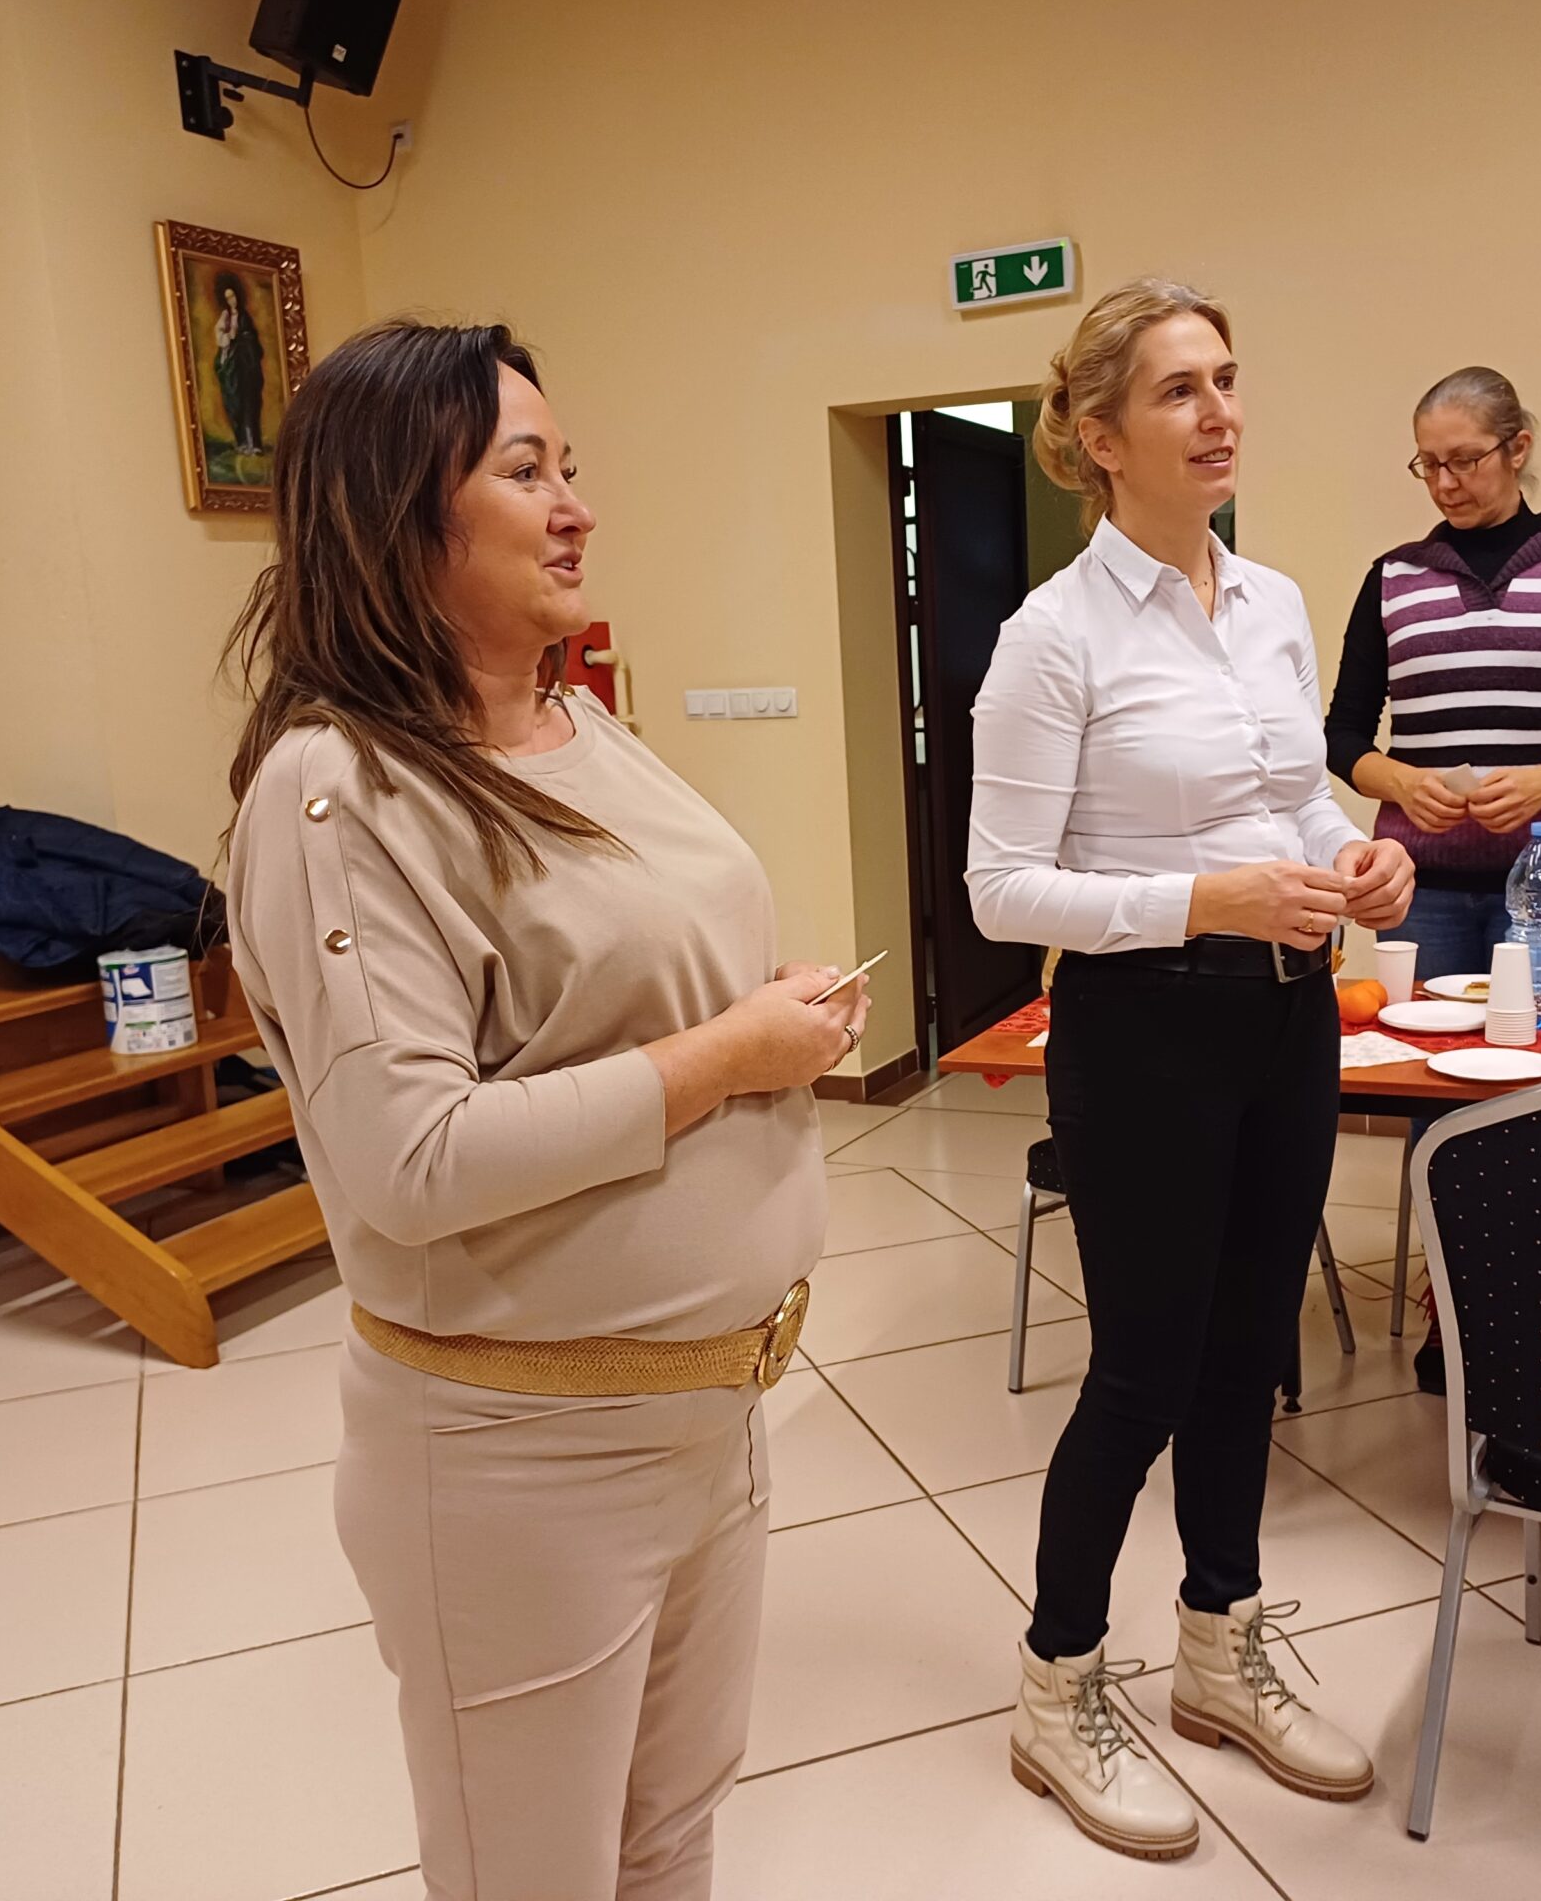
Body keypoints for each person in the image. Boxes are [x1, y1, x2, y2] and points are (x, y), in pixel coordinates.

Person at [223, 320, 868, 1901]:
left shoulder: (583, 726)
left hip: (710, 1408)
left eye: (568, 467)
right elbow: (411, 1160)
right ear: (401, 515)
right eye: (527, 473)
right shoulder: (339, 793)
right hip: (521, 1457)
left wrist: (752, 1012)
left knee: (669, 1835)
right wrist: (728, 1055)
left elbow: (625, 988)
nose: (577, 506)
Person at [967, 279, 1415, 1861]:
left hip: (1290, 1020)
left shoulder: (1273, 600)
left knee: (1250, 1355)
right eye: (1178, 391)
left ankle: (1220, 1649)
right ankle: (1058, 1683)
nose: (1219, 412)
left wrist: (1358, 859)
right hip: (1143, 1032)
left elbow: (1291, 803)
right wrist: (1199, 903)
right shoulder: (1053, 638)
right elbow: (1002, 890)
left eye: (1226, 379)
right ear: (1099, 438)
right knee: (1144, 1373)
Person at [1322, 365, 1541, 978]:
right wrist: (1403, 784)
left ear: (1517, 448)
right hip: (1420, 886)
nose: (1444, 483)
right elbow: (1341, 736)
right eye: (1429, 464)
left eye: (1464, 461)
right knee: (1419, 1038)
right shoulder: (1393, 577)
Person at [214, 275, 267, 456]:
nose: (232, 300)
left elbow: (252, 339)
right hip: (234, 368)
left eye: (233, 296)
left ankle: (254, 443)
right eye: (228, 297)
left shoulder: (245, 317)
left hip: (247, 367)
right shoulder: (225, 318)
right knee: (235, 404)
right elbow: (221, 337)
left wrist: (243, 340)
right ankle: (242, 442)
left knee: (250, 403)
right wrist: (230, 337)